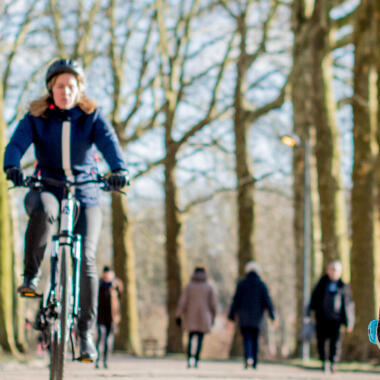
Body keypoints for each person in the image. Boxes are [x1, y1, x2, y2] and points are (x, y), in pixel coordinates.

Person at [3, 58, 128, 361]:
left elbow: (111, 146)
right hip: (48, 187)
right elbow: (16, 145)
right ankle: (31, 277)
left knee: (86, 257)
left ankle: (85, 335)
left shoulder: (92, 117)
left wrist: (119, 170)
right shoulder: (36, 117)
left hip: (86, 193)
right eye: (60, 86)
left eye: (71, 86)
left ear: (79, 90)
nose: (66, 91)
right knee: (44, 211)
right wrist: (12, 166)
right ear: (51, 88)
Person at [306, 260, 354, 373]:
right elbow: (314, 299)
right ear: (328, 271)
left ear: (340, 272)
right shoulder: (321, 283)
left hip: (336, 320)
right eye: (332, 269)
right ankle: (324, 361)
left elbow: (349, 305)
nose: (333, 272)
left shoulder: (343, 286)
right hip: (322, 318)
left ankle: (333, 362)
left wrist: (349, 322)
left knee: (335, 343)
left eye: (336, 270)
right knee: (321, 341)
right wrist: (308, 313)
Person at [228, 261, 277, 370]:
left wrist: (231, 316)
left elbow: (235, 301)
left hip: (244, 316)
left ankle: (247, 359)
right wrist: (272, 316)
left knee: (246, 339)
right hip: (257, 317)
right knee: (255, 339)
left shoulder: (241, 284)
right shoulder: (261, 284)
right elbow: (267, 301)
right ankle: (254, 361)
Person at [175, 266, 217, 368]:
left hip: (190, 316)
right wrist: (213, 316)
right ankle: (197, 359)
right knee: (200, 339)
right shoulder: (208, 287)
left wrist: (178, 315)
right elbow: (213, 304)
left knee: (190, 338)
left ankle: (189, 359)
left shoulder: (189, 286)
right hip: (204, 317)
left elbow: (182, 302)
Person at [95, 266, 123, 369]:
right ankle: (98, 359)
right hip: (100, 316)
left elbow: (121, 297)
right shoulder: (99, 284)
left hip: (112, 317)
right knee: (100, 338)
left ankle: (106, 360)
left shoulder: (116, 284)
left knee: (108, 339)